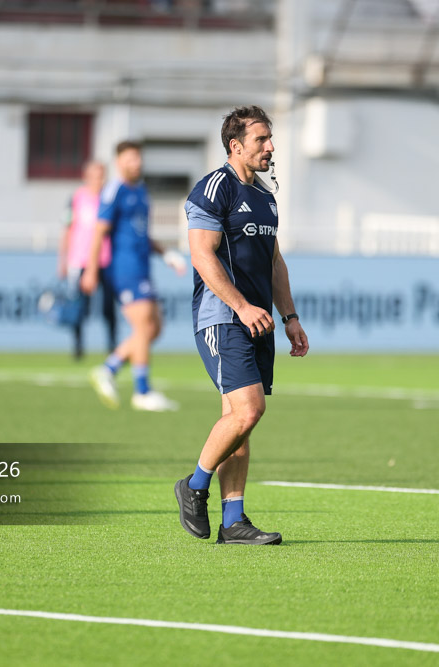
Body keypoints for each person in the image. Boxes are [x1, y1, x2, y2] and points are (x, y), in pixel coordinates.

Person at [174, 106, 308, 545]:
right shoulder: (214, 189)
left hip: (259, 322)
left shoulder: (267, 197)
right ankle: (194, 486)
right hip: (222, 319)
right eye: (261, 140)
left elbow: (274, 261)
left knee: (239, 421)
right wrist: (242, 306)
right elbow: (202, 256)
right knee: (249, 410)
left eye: (271, 139)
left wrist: (289, 317)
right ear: (235, 145)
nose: (271, 147)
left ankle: (234, 520)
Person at [81, 140, 187, 412]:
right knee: (142, 327)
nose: (136, 163)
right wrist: (91, 269)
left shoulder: (140, 191)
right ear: (119, 162)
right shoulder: (113, 191)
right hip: (124, 268)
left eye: (138, 158)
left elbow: (141, 233)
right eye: (130, 159)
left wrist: (166, 254)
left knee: (154, 328)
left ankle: (108, 368)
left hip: (143, 266)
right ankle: (142, 391)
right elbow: (99, 232)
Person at [58, 161, 117, 360]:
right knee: (78, 307)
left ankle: (112, 347)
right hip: (80, 260)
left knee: (108, 307)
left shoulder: (109, 198)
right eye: (95, 175)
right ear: (86, 176)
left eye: (102, 175)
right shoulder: (76, 198)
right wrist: (63, 260)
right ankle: (77, 347)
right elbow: (66, 229)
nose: (99, 180)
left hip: (106, 260)